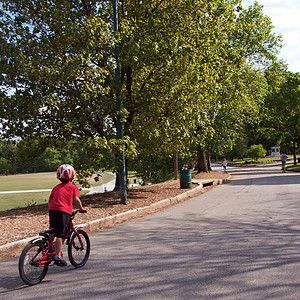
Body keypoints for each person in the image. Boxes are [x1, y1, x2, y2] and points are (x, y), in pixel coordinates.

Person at [48, 164, 85, 266]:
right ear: (72, 176)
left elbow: (50, 200)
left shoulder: (56, 188)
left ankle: (48, 248)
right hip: (64, 212)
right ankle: (57, 255)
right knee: (60, 234)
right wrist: (81, 209)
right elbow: (76, 200)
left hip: (53, 211)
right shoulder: (73, 187)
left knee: (52, 230)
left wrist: (52, 209)